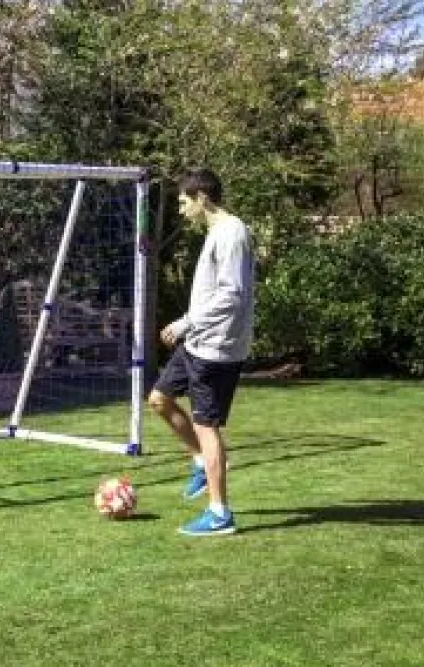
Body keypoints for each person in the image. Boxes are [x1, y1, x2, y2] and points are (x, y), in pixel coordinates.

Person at [147, 168, 255, 536]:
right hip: (197, 342)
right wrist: (189, 326)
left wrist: (185, 323)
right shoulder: (217, 232)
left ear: (202, 198)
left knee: (206, 427)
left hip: (216, 348)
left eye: (183, 202)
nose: (181, 210)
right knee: (159, 399)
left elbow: (231, 296)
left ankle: (220, 513)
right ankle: (200, 462)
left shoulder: (232, 233)